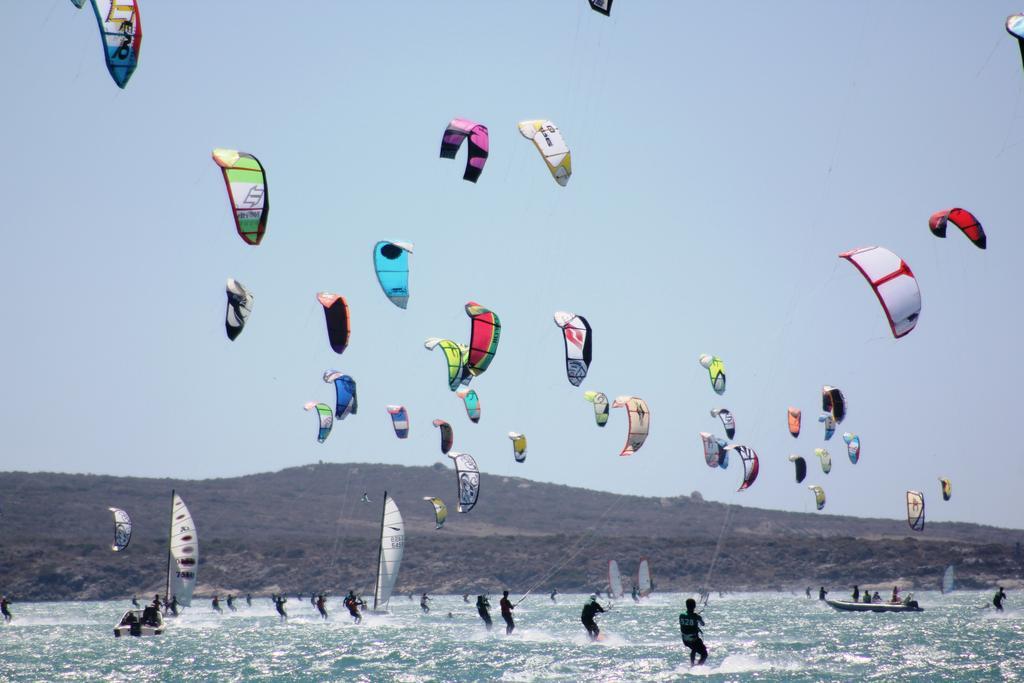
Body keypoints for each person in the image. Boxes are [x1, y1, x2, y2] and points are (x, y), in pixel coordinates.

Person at [679, 598, 708, 666]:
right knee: (704, 654)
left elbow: (686, 625)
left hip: (685, 640)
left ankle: (692, 664)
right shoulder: (696, 616)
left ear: (686, 606)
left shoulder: (681, 615)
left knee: (695, 647)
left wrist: (695, 617)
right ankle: (697, 666)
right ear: (694, 606)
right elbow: (703, 624)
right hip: (693, 639)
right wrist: (699, 618)